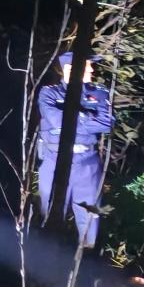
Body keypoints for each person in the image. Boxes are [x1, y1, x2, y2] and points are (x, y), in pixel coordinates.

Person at [35, 52, 114, 251]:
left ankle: (86, 260)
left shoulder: (99, 93)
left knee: (89, 218)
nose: (92, 69)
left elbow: (106, 123)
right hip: (54, 161)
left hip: (87, 163)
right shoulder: (49, 93)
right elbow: (55, 120)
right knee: (50, 215)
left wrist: (73, 117)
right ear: (70, 69)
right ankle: (46, 261)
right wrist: (88, 117)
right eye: (87, 65)